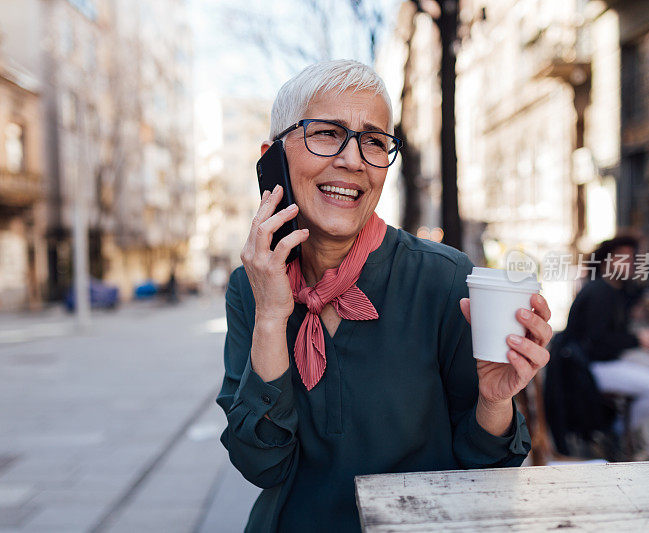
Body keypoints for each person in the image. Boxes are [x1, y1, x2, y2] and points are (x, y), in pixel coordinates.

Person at [216, 60, 553, 532]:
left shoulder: (446, 279)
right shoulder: (249, 285)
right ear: (272, 157)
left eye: (374, 141)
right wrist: (272, 315)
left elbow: (489, 473)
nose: (353, 160)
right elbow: (261, 464)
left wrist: (496, 402)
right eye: (327, 133)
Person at [564, 234, 649, 457]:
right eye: (622, 258)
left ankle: (625, 426)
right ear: (605, 261)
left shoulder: (617, 289)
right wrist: (639, 339)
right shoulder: (598, 292)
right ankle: (615, 432)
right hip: (589, 368)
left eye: (632, 258)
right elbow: (596, 343)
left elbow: (638, 299)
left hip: (611, 359)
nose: (629, 263)